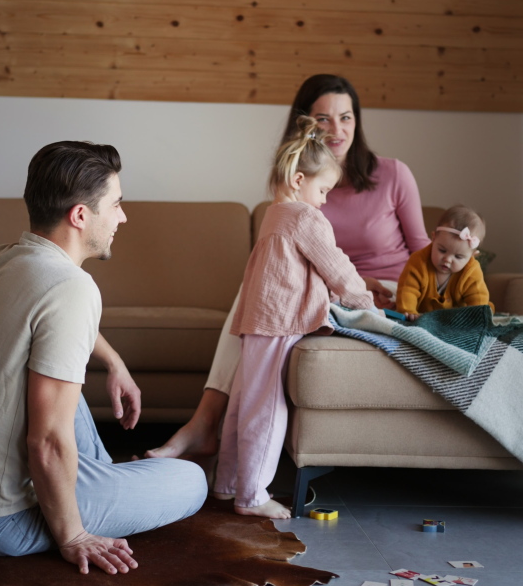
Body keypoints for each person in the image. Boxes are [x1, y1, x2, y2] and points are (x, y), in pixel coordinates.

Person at [0, 141, 207, 574]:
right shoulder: (70, 287)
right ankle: (93, 497)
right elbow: (48, 441)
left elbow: (51, 326)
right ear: (80, 215)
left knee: (58, 382)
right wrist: (73, 535)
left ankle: (103, 483)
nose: (122, 217)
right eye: (116, 204)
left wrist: (114, 362)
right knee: (192, 480)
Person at [147, 73, 429, 461]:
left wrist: (429, 289)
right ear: (305, 124)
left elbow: (423, 251)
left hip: (387, 289)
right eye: (323, 119)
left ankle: (203, 428)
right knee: (252, 296)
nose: (337, 129)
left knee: (253, 300)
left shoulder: (394, 174)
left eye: (346, 117)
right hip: (327, 287)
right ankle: (205, 424)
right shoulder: (297, 188)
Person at [213, 117, 375, 519]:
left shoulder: (274, 213)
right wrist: (365, 302)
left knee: (242, 404)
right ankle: (251, 496)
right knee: (266, 410)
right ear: (299, 179)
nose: (323, 200)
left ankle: (227, 483)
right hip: (279, 321)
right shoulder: (304, 217)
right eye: (322, 190)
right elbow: (335, 266)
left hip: (257, 321)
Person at [396, 204, 492, 317]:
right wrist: (408, 311)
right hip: (421, 314)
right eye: (442, 250)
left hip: (455, 317)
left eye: (458, 257)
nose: (447, 259)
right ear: (433, 238)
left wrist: (476, 318)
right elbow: (408, 289)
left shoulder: (471, 270)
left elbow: (478, 296)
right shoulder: (418, 261)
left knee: (486, 309)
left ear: (473, 255)